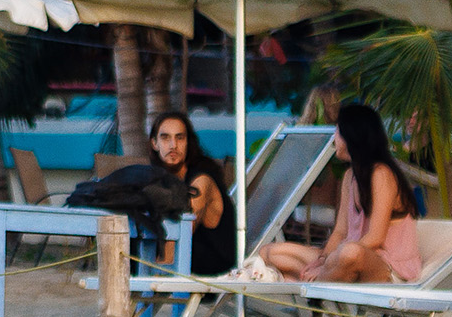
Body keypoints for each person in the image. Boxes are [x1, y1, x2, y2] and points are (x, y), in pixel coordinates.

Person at [258, 104, 421, 284]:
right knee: (268, 252)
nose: (334, 138)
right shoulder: (350, 176)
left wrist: (327, 263)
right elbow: (340, 231)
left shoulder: (381, 174)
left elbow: (375, 237)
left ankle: (315, 283)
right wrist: (323, 260)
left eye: (337, 132)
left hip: (383, 265)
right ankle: (318, 278)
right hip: (343, 258)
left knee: (350, 253)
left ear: (352, 137)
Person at [148, 112, 238, 277]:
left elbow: (182, 228)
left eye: (180, 138)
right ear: (155, 143)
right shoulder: (160, 179)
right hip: (188, 258)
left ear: (188, 143)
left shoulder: (201, 180)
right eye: (165, 138)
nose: (173, 145)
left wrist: (156, 276)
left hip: (213, 266)